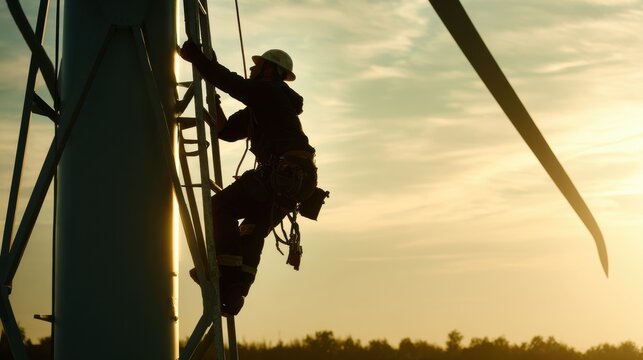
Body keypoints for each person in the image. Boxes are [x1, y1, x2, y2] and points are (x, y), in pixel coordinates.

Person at [179, 40, 318, 316]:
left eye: (257, 67)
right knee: (252, 230)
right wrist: (213, 99)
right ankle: (236, 290)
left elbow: (234, 84)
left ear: (270, 71)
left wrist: (200, 60)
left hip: (283, 174)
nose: (252, 71)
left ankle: (226, 275)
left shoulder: (271, 92)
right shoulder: (264, 106)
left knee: (218, 207)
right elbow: (227, 131)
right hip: (294, 182)